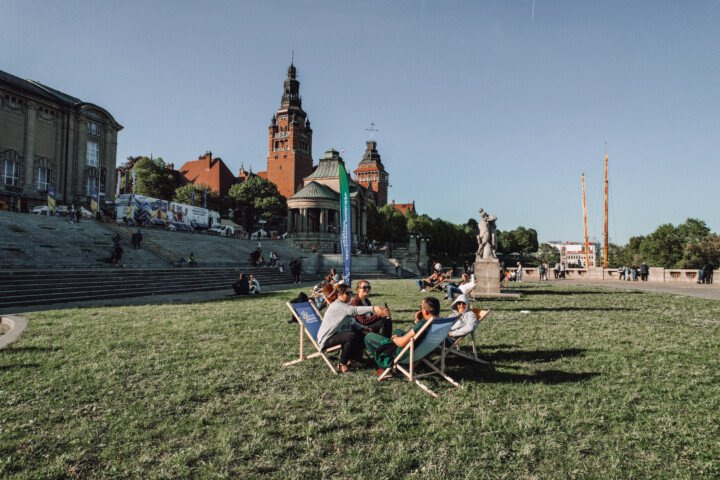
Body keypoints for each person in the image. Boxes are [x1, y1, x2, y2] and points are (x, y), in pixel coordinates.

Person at [316, 284, 388, 374]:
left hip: (337, 336)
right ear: (339, 294)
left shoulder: (344, 305)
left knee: (359, 333)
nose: (350, 295)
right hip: (327, 339)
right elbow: (353, 310)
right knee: (351, 336)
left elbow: (352, 322)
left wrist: (362, 328)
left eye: (351, 293)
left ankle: (353, 359)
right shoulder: (338, 305)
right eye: (347, 293)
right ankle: (342, 364)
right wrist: (373, 308)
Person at [364, 297, 440, 372]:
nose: (420, 309)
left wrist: (394, 338)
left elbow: (401, 343)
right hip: (421, 351)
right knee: (398, 331)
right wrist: (419, 321)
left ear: (426, 312)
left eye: (421, 307)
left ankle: (385, 367)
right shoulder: (439, 322)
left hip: (403, 352)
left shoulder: (423, 324)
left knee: (368, 337)